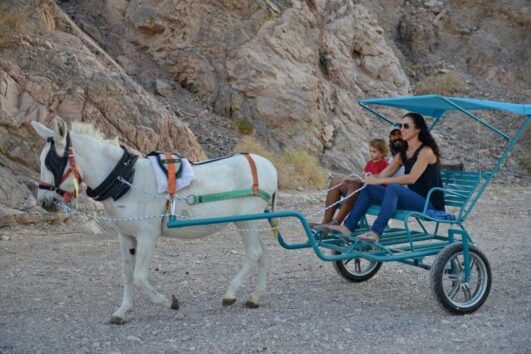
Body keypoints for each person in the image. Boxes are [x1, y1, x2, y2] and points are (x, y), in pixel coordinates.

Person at [323, 112, 445, 242]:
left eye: (406, 126)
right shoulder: (403, 153)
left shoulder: (426, 151)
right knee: (369, 187)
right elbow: (382, 175)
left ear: (418, 129)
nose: (402, 129)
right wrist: (361, 179)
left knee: (394, 187)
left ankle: (376, 232)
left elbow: (411, 178)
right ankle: (348, 227)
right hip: (412, 200)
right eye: (401, 125)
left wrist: (380, 180)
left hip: (428, 204)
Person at [316, 132, 404, 226]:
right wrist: (353, 178)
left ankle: (336, 222)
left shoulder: (385, 165)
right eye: (370, 151)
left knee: (355, 184)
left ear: (382, 153)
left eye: (374, 152)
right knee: (336, 180)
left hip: (374, 192)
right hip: (364, 188)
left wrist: (362, 180)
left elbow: (383, 181)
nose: (371, 154)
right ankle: (326, 221)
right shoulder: (370, 163)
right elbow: (365, 175)